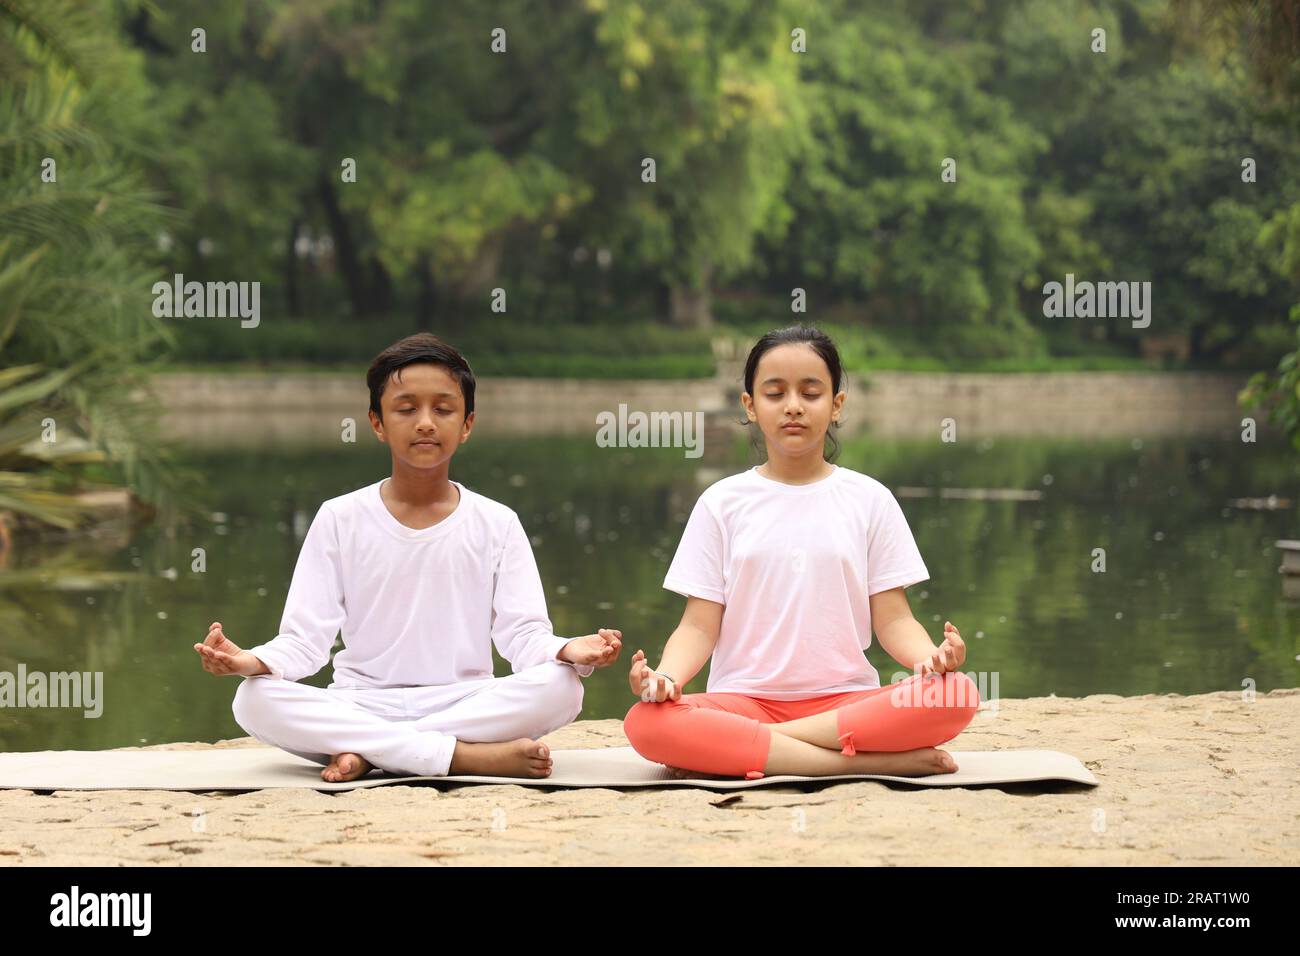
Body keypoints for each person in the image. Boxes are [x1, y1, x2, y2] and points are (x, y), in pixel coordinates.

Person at [194, 333, 622, 782]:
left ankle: (370, 751)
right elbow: (305, 642)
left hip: (465, 702)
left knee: (562, 687)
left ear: (467, 423)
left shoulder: (497, 522)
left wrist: (568, 650)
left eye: (442, 409)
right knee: (253, 698)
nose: (425, 423)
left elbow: (524, 636)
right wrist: (250, 661)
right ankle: (462, 757)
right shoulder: (339, 517)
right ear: (377, 423)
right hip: (360, 700)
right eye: (406, 409)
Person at [623, 325, 978, 779]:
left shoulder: (869, 499)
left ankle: (770, 751)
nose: (793, 406)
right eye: (775, 393)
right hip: (744, 702)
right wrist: (666, 678)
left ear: (836, 405)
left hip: (845, 702)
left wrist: (929, 659)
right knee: (646, 722)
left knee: (956, 693)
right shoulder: (721, 502)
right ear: (750, 406)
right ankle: (856, 764)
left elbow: (893, 618)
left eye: (811, 392)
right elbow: (697, 624)